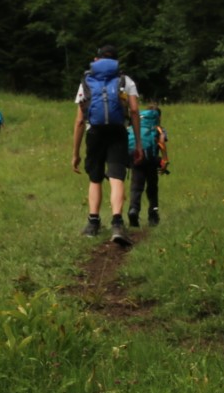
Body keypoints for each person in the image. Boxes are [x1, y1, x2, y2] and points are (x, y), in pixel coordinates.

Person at [71, 45, 140, 247]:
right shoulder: (125, 80)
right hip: (118, 132)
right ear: (116, 61)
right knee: (116, 177)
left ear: (96, 60)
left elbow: (79, 121)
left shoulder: (87, 81)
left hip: (95, 132)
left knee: (95, 178)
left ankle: (93, 223)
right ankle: (117, 223)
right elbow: (134, 111)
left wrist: (75, 153)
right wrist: (138, 143)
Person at [126, 99, 167, 229]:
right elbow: (161, 143)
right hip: (151, 159)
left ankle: (133, 210)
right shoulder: (159, 129)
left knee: (136, 186)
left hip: (134, 156)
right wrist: (164, 161)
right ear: (158, 117)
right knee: (152, 187)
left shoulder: (135, 126)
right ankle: (153, 215)